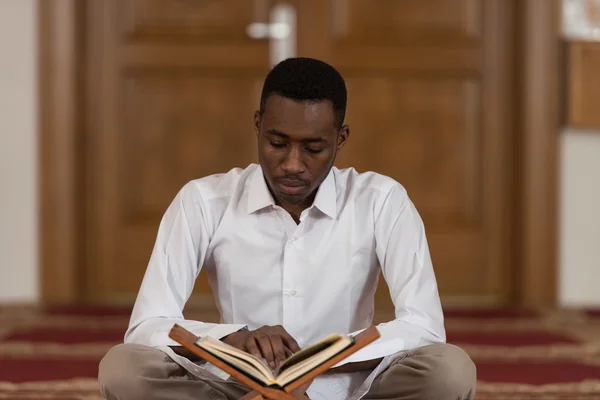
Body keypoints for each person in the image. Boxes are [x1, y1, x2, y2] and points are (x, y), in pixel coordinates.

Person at [98, 57, 476, 400]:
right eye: (278, 143)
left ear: (340, 139)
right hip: (235, 387)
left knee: (449, 372)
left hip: (347, 387)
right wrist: (236, 339)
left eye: (313, 148)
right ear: (258, 125)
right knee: (125, 369)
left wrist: (322, 361)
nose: (292, 164)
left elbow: (424, 328)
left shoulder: (381, 200)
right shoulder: (203, 200)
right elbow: (148, 326)